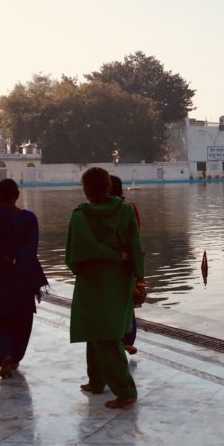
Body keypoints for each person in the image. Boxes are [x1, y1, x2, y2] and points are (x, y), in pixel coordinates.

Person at [66, 167, 146, 409]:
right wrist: (139, 277)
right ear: (108, 187)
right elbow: (134, 246)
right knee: (99, 333)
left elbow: (75, 254)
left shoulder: (80, 216)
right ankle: (97, 380)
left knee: (104, 337)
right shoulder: (124, 211)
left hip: (93, 280)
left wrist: (101, 257)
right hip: (119, 280)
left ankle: (125, 391)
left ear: (85, 189)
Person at [0, 178, 48, 379]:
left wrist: (1, 255)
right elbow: (32, 247)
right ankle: (16, 357)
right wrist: (16, 257)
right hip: (21, 273)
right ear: (17, 195)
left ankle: (4, 355)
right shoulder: (29, 219)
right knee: (22, 317)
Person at [110, 174, 141, 354]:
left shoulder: (91, 210)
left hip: (107, 265)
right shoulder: (129, 208)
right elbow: (136, 237)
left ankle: (117, 339)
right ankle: (127, 339)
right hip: (126, 263)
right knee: (127, 304)